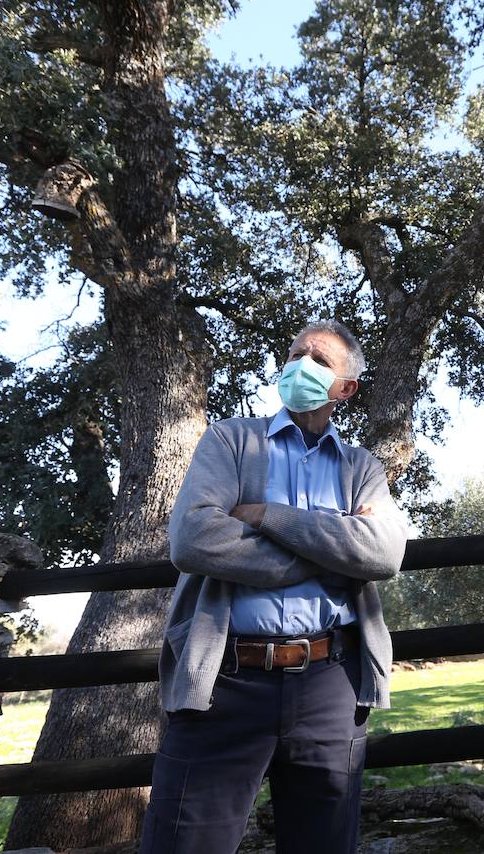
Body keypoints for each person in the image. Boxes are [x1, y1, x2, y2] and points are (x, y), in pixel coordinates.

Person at [141, 320, 408, 853]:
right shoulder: (232, 441)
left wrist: (267, 515)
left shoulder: (361, 466)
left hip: (331, 685)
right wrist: (333, 552)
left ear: (345, 389)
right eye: (294, 353)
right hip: (224, 682)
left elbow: (382, 553)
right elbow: (193, 540)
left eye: (318, 360)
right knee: (184, 844)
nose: (299, 365)